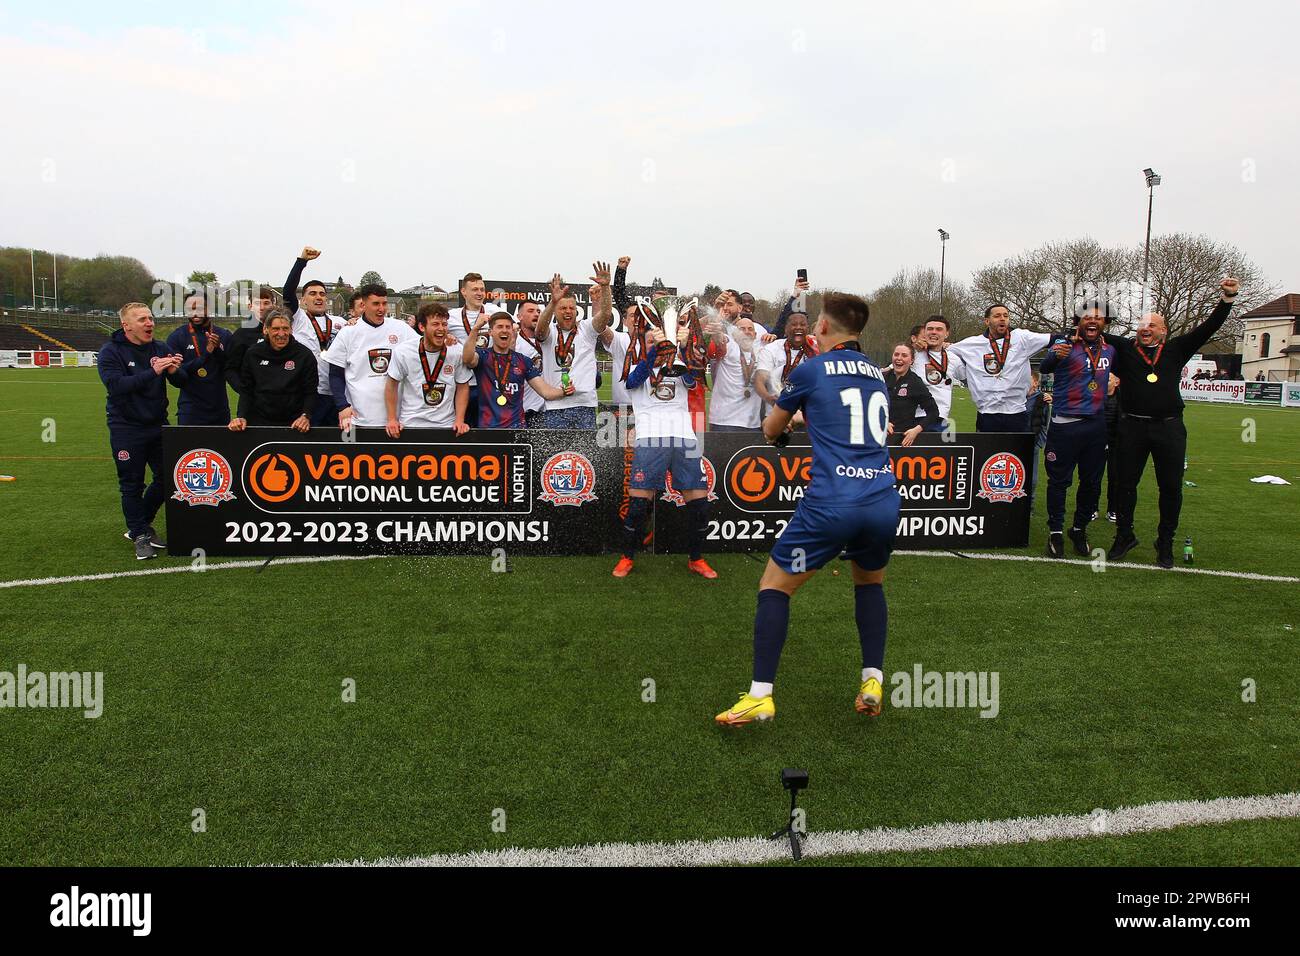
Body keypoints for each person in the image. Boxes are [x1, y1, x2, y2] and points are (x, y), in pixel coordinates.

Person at [715, 292, 899, 726]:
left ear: (822, 327)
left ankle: (761, 696)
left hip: (833, 501)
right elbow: (844, 419)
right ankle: (872, 678)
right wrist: (805, 418)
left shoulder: (812, 369)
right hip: (882, 499)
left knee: (774, 586)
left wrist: (784, 421)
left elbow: (771, 427)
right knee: (869, 584)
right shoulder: (875, 373)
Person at [1104, 277, 1240, 567]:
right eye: (1142, 324)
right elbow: (1093, 331)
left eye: (1152, 325)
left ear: (1163, 331)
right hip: (1132, 428)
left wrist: (1227, 300)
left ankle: (1165, 541)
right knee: (1125, 485)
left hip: (1169, 428)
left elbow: (1208, 328)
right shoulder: (1125, 349)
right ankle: (1124, 535)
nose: (1145, 328)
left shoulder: (1177, 349)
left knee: (1171, 487)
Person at [612, 324, 717, 580]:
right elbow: (633, 382)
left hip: (685, 438)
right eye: (650, 341)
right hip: (650, 438)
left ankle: (696, 558)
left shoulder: (680, 367)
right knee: (638, 505)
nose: (657, 346)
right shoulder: (637, 368)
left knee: (700, 504)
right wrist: (654, 352)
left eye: (660, 341)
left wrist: (681, 347)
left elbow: (694, 379)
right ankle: (627, 557)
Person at [98, 302, 188, 560]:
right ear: (126, 325)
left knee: (169, 476)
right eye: (142, 320)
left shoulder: (160, 347)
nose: (149, 323)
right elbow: (116, 386)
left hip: (158, 424)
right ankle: (140, 535)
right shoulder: (110, 351)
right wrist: (153, 371)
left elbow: (181, 382)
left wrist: (174, 369)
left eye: (150, 318)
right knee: (132, 484)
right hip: (126, 427)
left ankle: (140, 524)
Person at [1039, 305, 1115, 558]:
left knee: (1092, 484)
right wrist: (1056, 355)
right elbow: (1046, 366)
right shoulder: (1064, 343)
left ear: (1105, 322)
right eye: (1087, 317)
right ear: (1078, 322)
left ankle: (1079, 528)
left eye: (1098, 317)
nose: (1092, 321)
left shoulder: (1110, 349)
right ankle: (1056, 531)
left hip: (1095, 425)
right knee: (1059, 482)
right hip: (1064, 424)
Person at [323, 283, 419, 429]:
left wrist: (447, 339)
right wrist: (342, 406)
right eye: (376, 304)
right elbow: (335, 374)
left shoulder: (400, 328)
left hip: (395, 419)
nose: (381, 309)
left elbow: (426, 346)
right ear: (364, 304)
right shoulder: (348, 332)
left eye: (384, 303)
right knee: (357, 452)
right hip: (358, 418)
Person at [947, 304, 1052, 431]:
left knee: (1016, 451)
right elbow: (945, 351)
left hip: (1017, 412)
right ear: (987, 321)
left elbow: (1053, 339)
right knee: (987, 451)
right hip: (986, 413)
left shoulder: (1022, 338)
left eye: (1005, 316)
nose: (1002, 319)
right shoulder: (971, 343)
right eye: (997, 316)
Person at [462, 311, 574, 427]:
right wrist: (475, 329)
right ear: (490, 332)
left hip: (517, 429)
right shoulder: (483, 356)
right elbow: (467, 359)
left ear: (512, 331)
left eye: (508, 327)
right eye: (500, 327)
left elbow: (546, 392)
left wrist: (564, 391)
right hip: (489, 428)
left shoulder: (523, 361)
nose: (504, 330)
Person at [534, 265, 611, 428]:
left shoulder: (586, 329)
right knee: (556, 454)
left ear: (577, 311)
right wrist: (552, 301)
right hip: (555, 407)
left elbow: (604, 315)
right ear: (554, 311)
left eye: (572, 308)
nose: (568, 311)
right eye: (562, 308)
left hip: (585, 406)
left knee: (584, 454)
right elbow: (539, 332)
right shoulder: (551, 333)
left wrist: (605, 288)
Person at [384, 303, 471, 435]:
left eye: (444, 324)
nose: (441, 328)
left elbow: (463, 386)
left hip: (446, 426)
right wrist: (391, 419)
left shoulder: (456, 350)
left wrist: (460, 419)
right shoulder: (404, 351)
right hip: (411, 425)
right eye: (435, 324)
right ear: (421, 327)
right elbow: (391, 385)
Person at [285, 247, 347, 427]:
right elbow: (288, 292)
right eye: (312, 294)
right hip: (310, 393)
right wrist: (301, 261)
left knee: (339, 442)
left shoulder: (340, 322)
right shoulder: (299, 318)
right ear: (303, 300)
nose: (318, 297)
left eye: (322, 294)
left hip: (338, 393)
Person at [228, 308, 317, 431]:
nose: (281, 334)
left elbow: (310, 391)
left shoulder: (304, 355)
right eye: (276, 329)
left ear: (291, 329)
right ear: (266, 329)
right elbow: (246, 390)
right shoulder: (253, 353)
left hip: (294, 424)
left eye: (285, 328)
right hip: (259, 422)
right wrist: (241, 416)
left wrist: (305, 416)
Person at [165, 292, 232, 425]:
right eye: (190, 309)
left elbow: (230, 369)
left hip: (220, 411)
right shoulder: (177, 337)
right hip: (190, 411)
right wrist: (206, 354)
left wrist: (218, 350)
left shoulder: (224, 335)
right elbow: (178, 380)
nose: (195, 313)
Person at [447, 272, 499, 426]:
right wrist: (446, 337)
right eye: (475, 289)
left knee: (487, 429)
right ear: (464, 292)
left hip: (488, 381)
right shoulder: (452, 316)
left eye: (482, 289)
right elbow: (433, 333)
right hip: (463, 383)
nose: (479, 293)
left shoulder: (493, 311)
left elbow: (514, 326)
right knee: (462, 427)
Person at [707, 316, 765, 431]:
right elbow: (720, 340)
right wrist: (717, 333)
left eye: (750, 329)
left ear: (755, 334)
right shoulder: (730, 347)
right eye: (742, 329)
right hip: (724, 422)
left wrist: (772, 336)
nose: (746, 332)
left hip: (752, 424)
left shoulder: (762, 353)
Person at [754, 312, 815, 420]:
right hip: (775, 415)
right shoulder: (771, 349)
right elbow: (759, 381)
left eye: (802, 324)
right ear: (786, 329)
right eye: (794, 324)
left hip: (807, 417)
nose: (798, 327)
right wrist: (770, 399)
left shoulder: (815, 350)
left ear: (808, 328)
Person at [914, 314, 964, 431]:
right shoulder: (914, 355)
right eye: (930, 329)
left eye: (939, 329)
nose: (934, 332)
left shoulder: (954, 358)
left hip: (941, 418)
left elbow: (966, 376)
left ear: (947, 334)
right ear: (924, 332)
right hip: (915, 417)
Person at [882, 343, 938, 445]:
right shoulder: (881, 378)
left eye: (904, 355)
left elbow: (933, 412)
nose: (899, 358)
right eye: (896, 354)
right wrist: (881, 420)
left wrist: (916, 430)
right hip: (878, 437)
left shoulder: (915, 382)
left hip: (902, 441)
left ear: (911, 361)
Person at [226, 285, 276, 395]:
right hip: (251, 403)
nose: (262, 307)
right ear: (250, 306)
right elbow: (230, 368)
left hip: (279, 400)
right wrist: (244, 391)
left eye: (266, 303)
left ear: (273, 305)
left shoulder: (281, 331)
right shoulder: (242, 334)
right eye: (258, 303)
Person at [513, 300, 547, 427]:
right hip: (523, 409)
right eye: (531, 311)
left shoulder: (548, 340)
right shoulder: (514, 341)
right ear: (519, 317)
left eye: (538, 311)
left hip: (545, 409)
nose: (537, 314)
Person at [1103, 374, 1121, 522]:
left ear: (1116, 382)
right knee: (1093, 477)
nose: (1105, 381)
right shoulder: (1097, 396)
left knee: (1114, 477)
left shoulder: (1122, 398)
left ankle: (1113, 509)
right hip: (1098, 441)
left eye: (1109, 379)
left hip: (1116, 444)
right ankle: (1092, 508)